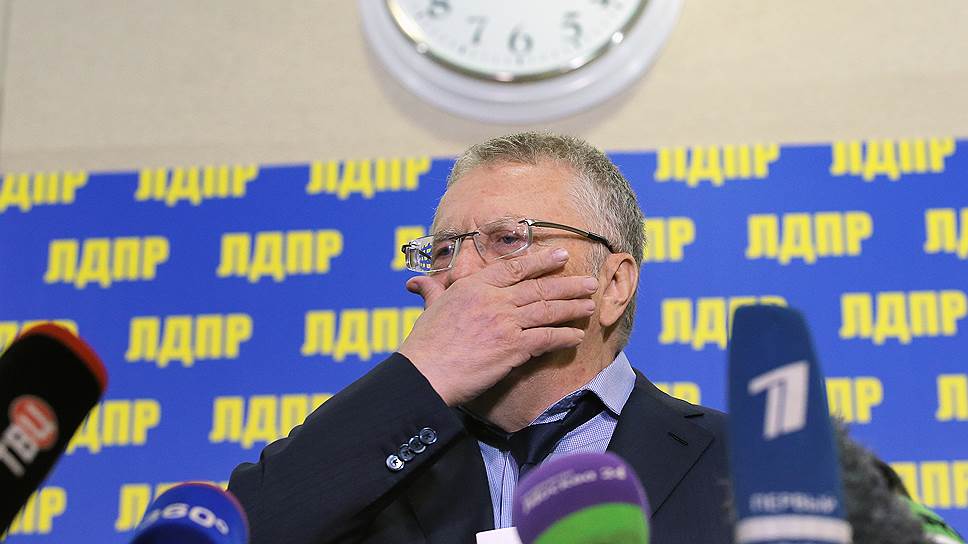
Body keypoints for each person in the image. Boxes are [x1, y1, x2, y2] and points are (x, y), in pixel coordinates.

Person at [228, 132, 732, 543]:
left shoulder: (740, 460)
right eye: (443, 251)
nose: (461, 274)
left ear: (614, 283)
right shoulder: (378, 459)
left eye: (509, 239)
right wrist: (422, 374)